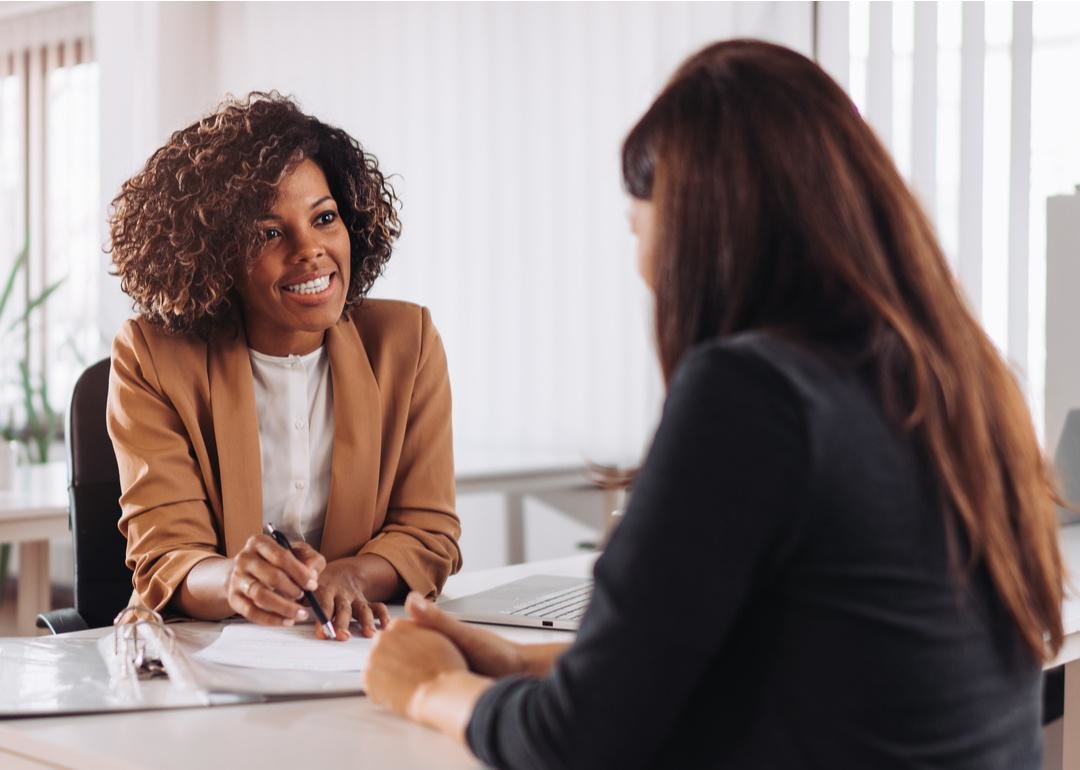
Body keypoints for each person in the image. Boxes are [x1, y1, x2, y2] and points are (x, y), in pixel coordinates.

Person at [363, 39, 1065, 768]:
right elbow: (801, 663)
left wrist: (430, 687)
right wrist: (519, 664)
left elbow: (578, 745)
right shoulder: (970, 382)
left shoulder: (754, 394)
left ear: (699, 228)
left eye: (638, 229)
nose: (643, 274)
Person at [107, 93, 461, 640]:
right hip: (202, 656)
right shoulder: (151, 356)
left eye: (324, 218)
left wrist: (351, 576)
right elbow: (167, 554)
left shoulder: (405, 343)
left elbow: (428, 532)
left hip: (351, 649)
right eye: (270, 233)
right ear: (217, 254)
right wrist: (234, 582)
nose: (310, 250)